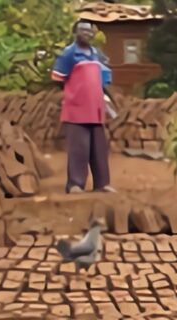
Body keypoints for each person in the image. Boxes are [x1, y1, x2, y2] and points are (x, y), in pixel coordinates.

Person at [52, 20, 116, 194]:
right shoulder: (69, 54)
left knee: (99, 149)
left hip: (95, 109)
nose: (86, 33)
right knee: (79, 149)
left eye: (89, 31)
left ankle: (102, 184)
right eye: (82, 30)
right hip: (77, 109)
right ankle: (75, 184)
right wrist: (74, 93)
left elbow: (104, 79)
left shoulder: (97, 54)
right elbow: (58, 78)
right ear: (75, 33)